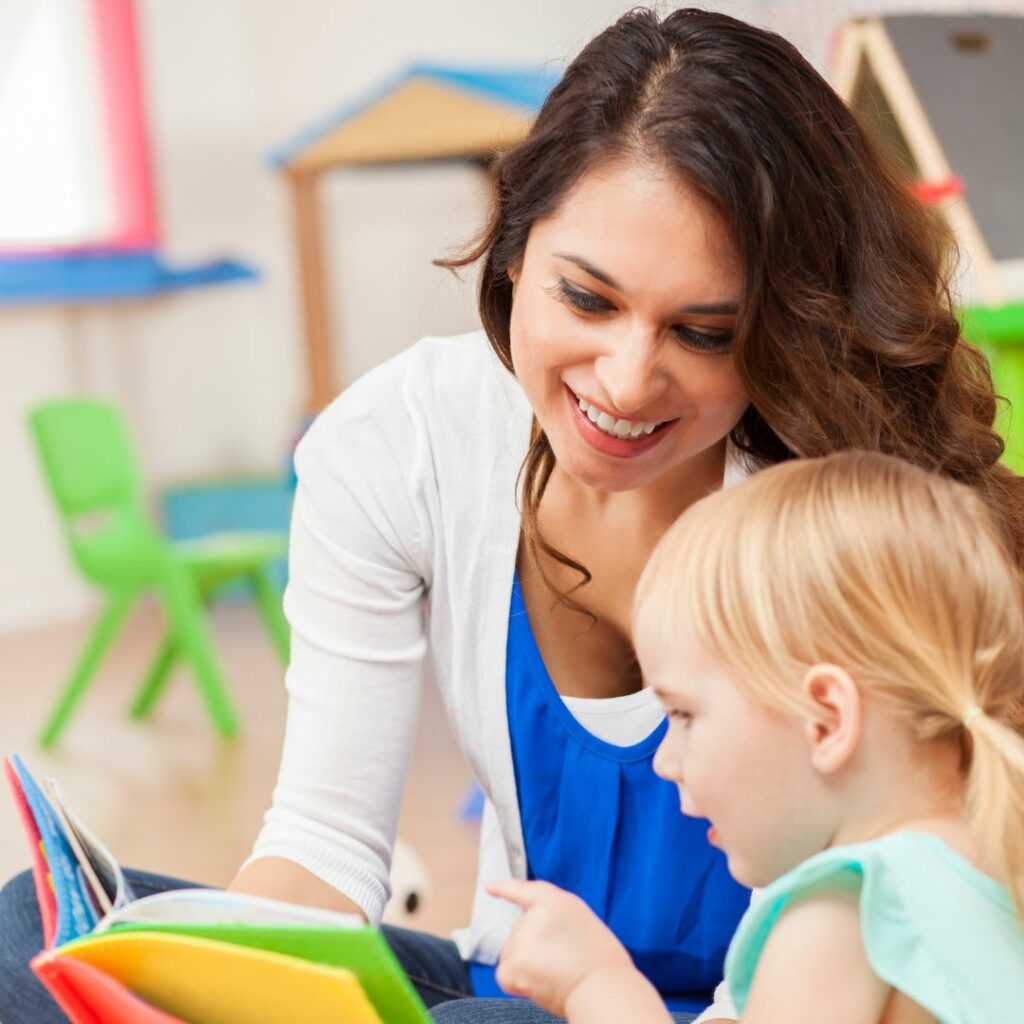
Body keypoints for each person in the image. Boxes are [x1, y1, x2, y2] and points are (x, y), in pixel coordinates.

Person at [2, 8, 1022, 1024]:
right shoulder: (398, 445)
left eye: (703, 332)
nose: (626, 380)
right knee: (37, 934)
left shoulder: (830, 514)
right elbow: (322, 846)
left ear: (777, 324)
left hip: (743, 1003)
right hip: (530, 979)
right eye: (586, 299)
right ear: (513, 250)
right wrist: (216, 992)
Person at [490, 451, 1024, 1023]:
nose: (665, 761)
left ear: (827, 721)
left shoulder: (841, 913)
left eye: (685, 715)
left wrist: (596, 984)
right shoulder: (988, 871)